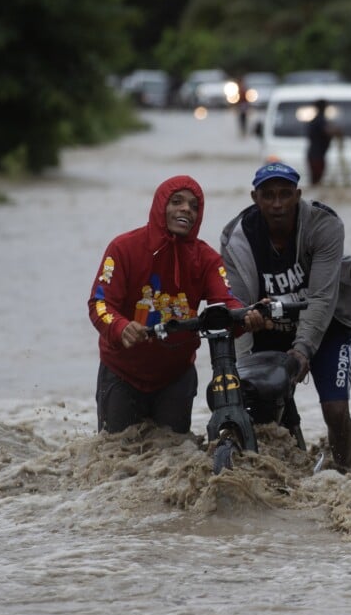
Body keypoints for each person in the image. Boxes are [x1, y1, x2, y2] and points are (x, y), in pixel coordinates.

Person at [88, 175, 270, 435]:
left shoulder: (207, 259)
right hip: (121, 373)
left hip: (176, 377)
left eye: (194, 206)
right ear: (160, 206)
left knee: (173, 457)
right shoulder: (123, 248)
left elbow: (226, 304)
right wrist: (120, 327)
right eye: (177, 202)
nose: (186, 209)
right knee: (116, 460)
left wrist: (248, 316)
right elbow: (100, 303)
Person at [220, 162, 351, 472]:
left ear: (297, 195)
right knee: (259, 407)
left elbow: (322, 297)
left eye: (285, 195)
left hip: (327, 323)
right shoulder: (236, 238)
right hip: (269, 327)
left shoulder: (324, 225)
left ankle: (345, 473)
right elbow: (238, 306)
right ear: (254, 198)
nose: (277, 204)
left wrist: (303, 350)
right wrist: (242, 371)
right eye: (268, 196)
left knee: (336, 409)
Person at [305, 99, 336, 186]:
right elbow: (328, 131)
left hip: (317, 154)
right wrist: (337, 132)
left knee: (316, 180)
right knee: (317, 181)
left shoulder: (318, 119)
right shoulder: (319, 120)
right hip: (316, 155)